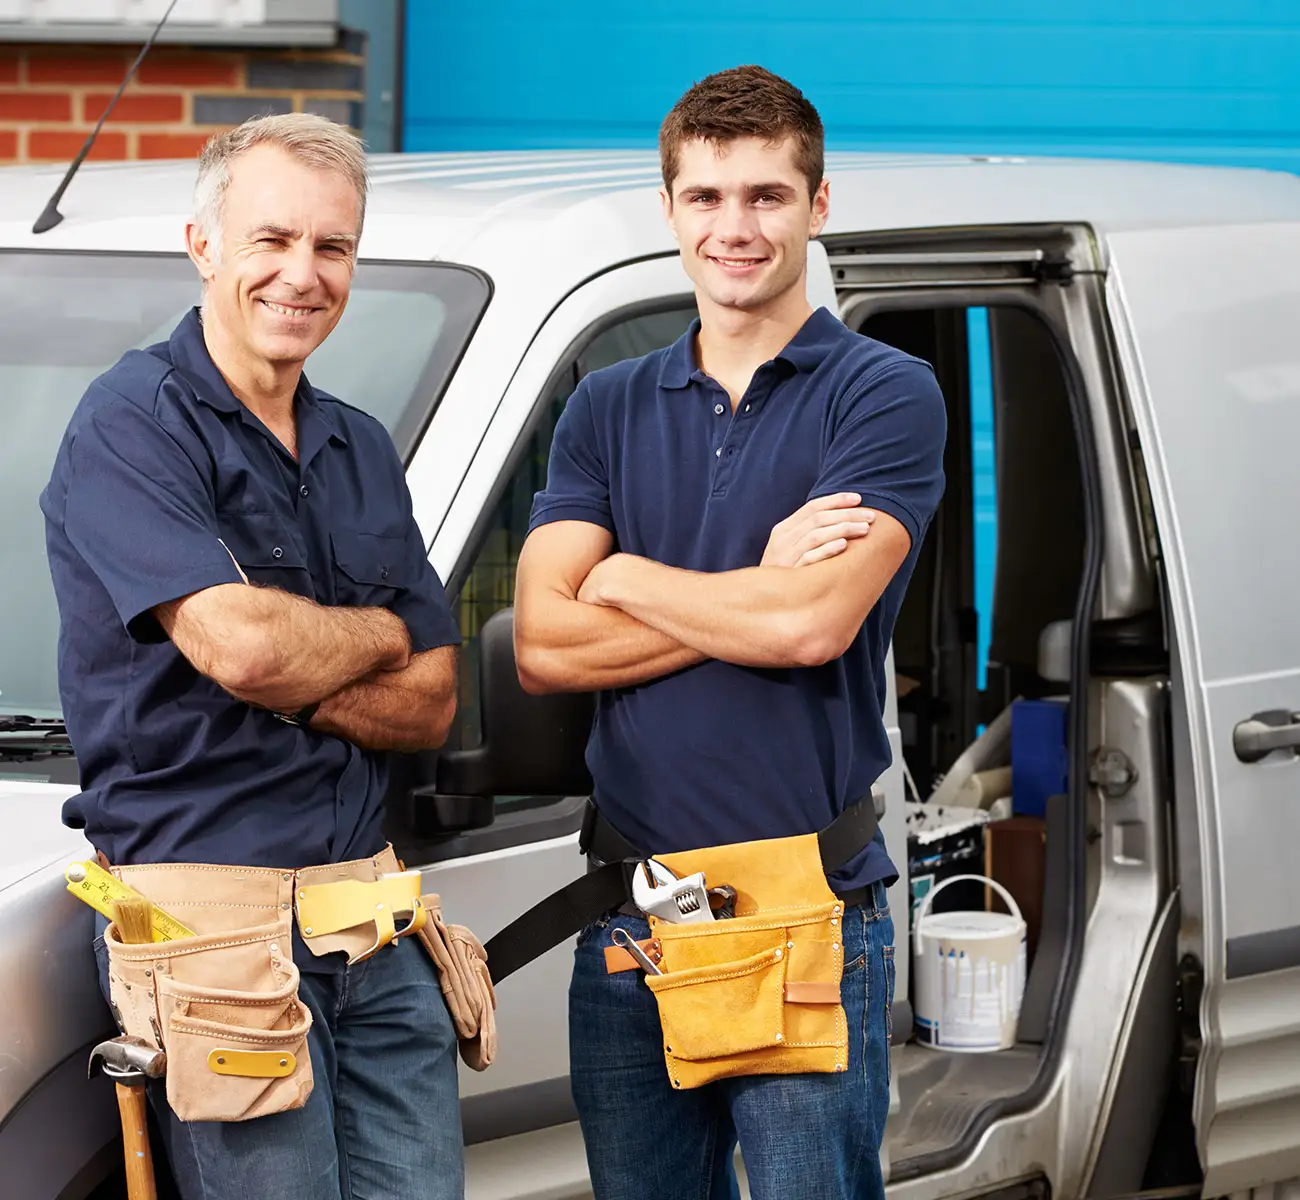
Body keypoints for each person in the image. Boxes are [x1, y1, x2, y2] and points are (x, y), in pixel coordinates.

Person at [513, 66, 947, 1200]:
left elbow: (809, 626)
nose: (734, 227)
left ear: (817, 204)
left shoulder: (883, 394)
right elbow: (543, 648)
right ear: (668, 210)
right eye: (705, 198)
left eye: (765, 195)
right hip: (633, 921)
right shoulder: (605, 405)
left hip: (806, 909)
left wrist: (621, 573)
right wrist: (747, 581)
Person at [40, 114, 467, 1200]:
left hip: (368, 919)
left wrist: (300, 655)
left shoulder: (358, 445)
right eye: (270, 240)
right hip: (209, 931)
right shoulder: (131, 424)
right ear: (204, 245)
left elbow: (430, 702)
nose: (301, 274)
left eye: (332, 248)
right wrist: (371, 634)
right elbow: (243, 651)